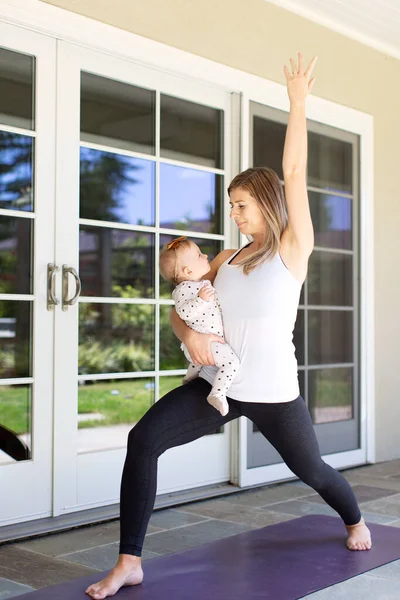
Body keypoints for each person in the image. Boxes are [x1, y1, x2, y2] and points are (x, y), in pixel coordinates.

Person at [86, 52, 371, 600]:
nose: (235, 215)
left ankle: (353, 519)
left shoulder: (292, 249)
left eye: (241, 205)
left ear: (265, 203)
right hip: (219, 386)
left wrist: (297, 102)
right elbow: (182, 302)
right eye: (231, 206)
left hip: (273, 391)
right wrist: (186, 334)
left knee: (313, 470)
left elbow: (293, 173)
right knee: (143, 440)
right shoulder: (225, 259)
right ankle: (130, 561)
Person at [159, 235, 240, 416]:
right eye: (199, 255)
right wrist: (201, 300)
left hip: (207, 341)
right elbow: (183, 313)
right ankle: (217, 393)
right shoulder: (184, 289)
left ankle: (189, 377)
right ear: (187, 271)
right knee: (231, 362)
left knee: (197, 363)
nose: (205, 255)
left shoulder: (200, 283)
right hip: (206, 342)